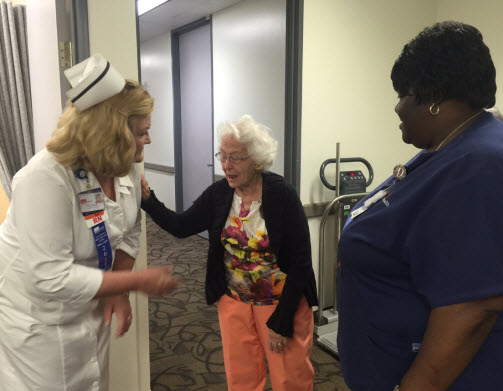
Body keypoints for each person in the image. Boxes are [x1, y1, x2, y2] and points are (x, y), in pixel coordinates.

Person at [337, 21, 503, 391]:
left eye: (403, 94)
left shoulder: (484, 164)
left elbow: (473, 308)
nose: (397, 107)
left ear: (433, 96)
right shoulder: (447, 152)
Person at [0, 54, 178, 391]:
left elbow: (127, 231)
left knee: (94, 382)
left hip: (89, 306)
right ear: (112, 133)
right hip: (37, 321)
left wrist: (121, 288)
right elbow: (49, 278)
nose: (148, 141)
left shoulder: (124, 165)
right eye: (142, 133)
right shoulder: (43, 179)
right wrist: (139, 280)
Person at [141, 114, 318, 391]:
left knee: (290, 379)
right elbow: (181, 226)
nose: (226, 165)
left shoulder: (282, 194)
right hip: (234, 301)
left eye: (235, 157)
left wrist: (282, 320)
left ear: (257, 159)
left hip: (282, 302)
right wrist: (148, 200)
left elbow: (301, 263)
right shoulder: (220, 194)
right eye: (222, 156)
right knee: (242, 379)